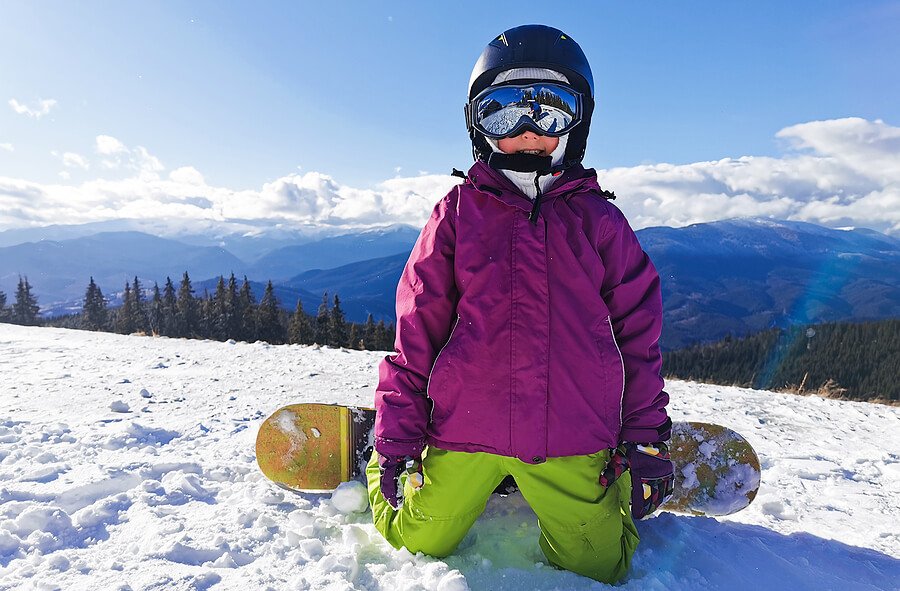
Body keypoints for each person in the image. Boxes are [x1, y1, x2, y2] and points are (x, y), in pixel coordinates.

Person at [366, 24, 673, 584]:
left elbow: (639, 336)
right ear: (478, 126)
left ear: (576, 124)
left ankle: (619, 479)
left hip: (571, 434)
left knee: (600, 566)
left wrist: (644, 435)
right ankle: (376, 460)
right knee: (419, 540)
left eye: (550, 110)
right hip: (464, 427)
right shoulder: (458, 213)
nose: (528, 131)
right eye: (504, 112)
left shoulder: (599, 221)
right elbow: (418, 329)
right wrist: (394, 438)